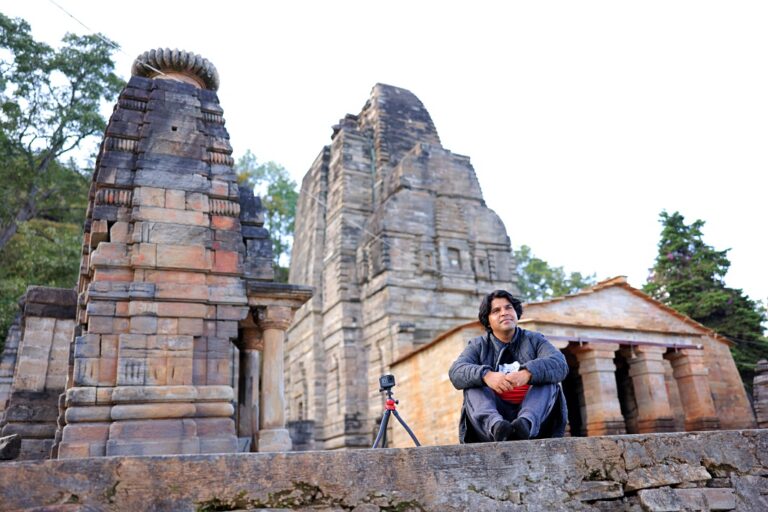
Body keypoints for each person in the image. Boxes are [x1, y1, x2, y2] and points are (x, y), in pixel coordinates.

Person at [448, 290, 569, 443]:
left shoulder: (535, 339)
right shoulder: (478, 345)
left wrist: (528, 373)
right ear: (488, 321)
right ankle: (497, 427)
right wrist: (486, 375)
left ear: (516, 313)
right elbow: (456, 372)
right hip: (493, 427)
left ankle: (524, 424)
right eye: (496, 311)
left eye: (508, 308)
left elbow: (560, 364)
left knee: (548, 378)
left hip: (534, 421)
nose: (504, 313)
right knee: (473, 384)